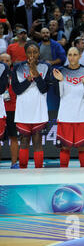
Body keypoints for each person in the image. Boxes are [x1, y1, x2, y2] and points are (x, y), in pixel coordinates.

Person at [11, 40, 53, 168]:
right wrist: (29, 80)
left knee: (37, 141)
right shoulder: (18, 67)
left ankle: (38, 171)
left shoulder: (46, 67)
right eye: (29, 52)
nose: (32, 55)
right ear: (25, 53)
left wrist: (36, 74)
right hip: (23, 110)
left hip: (38, 110)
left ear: (39, 52)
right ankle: (23, 170)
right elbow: (16, 90)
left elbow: (44, 89)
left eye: (35, 52)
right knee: (23, 142)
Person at [53, 47, 84, 168]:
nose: (72, 57)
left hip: (82, 114)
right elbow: (58, 94)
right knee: (65, 147)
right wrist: (59, 81)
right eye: (70, 55)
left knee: (83, 148)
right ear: (67, 56)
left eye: (75, 54)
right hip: (65, 115)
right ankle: (63, 173)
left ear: (80, 56)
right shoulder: (61, 71)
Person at [0, 53, 19, 168]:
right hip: (0, 111)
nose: (4, 62)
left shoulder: (15, 75)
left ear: (11, 62)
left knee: (13, 137)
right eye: (2, 60)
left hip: (12, 109)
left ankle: (14, 163)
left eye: (7, 60)